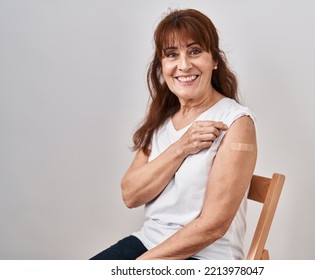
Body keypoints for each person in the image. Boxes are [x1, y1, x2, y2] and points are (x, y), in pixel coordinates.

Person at [91, 8, 257, 260]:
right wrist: (182, 146)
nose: (183, 65)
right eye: (171, 54)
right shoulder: (161, 120)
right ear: (162, 65)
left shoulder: (235, 121)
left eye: (195, 51)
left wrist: (140, 266)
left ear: (214, 60)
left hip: (205, 257)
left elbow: (214, 225)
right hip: (148, 241)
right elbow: (131, 194)